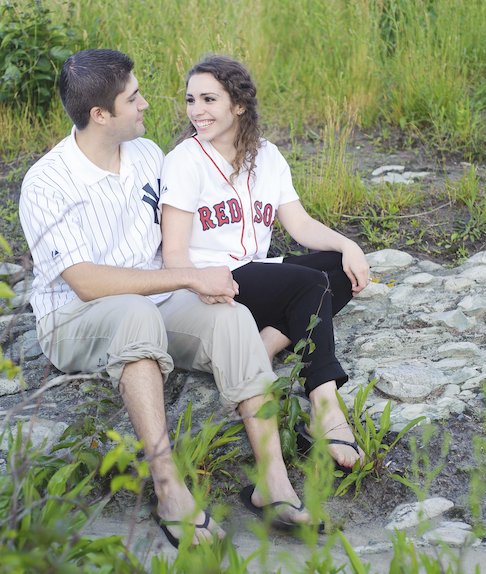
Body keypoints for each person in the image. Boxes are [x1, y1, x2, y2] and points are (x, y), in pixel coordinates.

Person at [18, 49, 314, 547]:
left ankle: (274, 483)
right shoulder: (47, 182)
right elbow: (85, 282)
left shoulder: (147, 155)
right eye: (133, 98)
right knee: (135, 313)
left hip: (156, 302)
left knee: (231, 317)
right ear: (100, 114)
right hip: (74, 318)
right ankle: (169, 490)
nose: (146, 104)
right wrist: (188, 278)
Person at [160, 55, 371, 478]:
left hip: (259, 272)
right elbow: (174, 253)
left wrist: (348, 245)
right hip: (217, 281)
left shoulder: (268, 156)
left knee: (338, 270)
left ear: (239, 105)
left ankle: (265, 345)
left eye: (209, 99)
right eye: (191, 100)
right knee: (310, 284)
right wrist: (200, 284)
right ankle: (325, 406)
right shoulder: (185, 160)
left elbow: (300, 224)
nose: (197, 110)